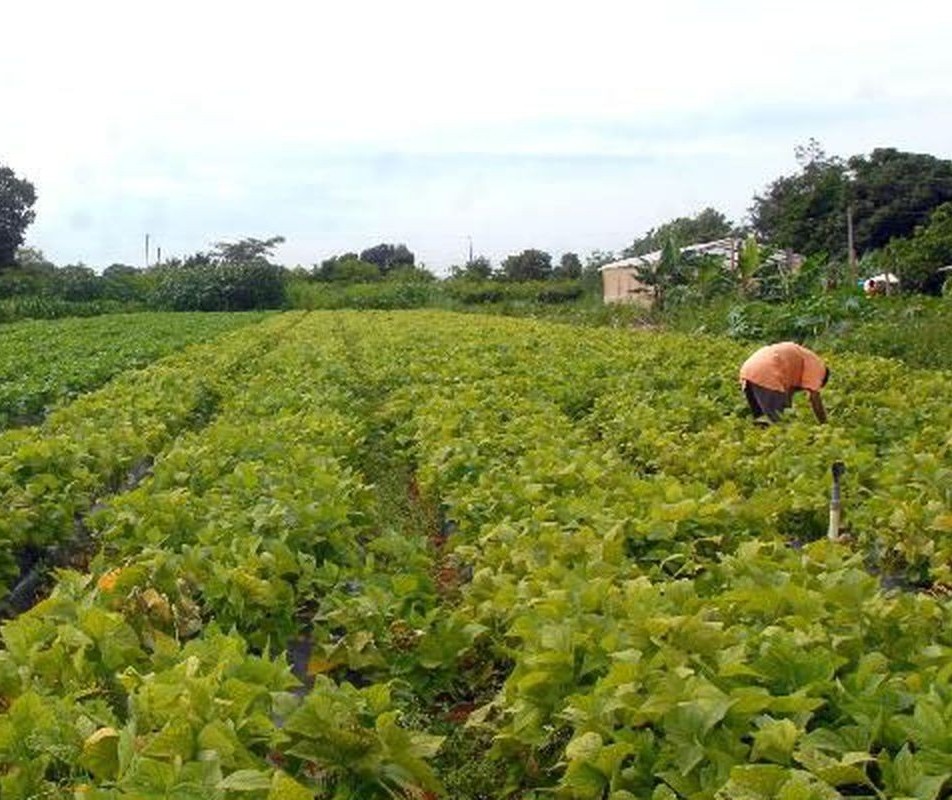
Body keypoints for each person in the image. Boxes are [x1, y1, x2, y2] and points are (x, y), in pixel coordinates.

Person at [739, 342, 829, 424]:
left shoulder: (801, 360)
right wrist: (824, 423)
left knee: (762, 423)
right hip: (768, 370)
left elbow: (787, 394)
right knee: (782, 425)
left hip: (749, 369)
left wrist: (788, 409)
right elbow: (814, 398)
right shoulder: (818, 367)